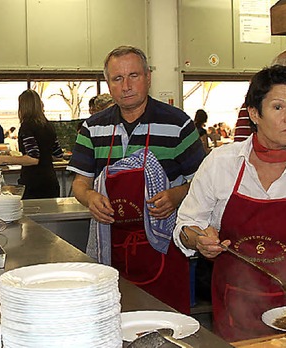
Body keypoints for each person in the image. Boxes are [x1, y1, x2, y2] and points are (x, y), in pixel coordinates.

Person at [174, 65, 286, 341]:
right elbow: (186, 226)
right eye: (278, 107)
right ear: (254, 114)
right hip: (236, 310)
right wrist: (198, 240)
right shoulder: (221, 164)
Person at [67, 46, 206, 314]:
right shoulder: (93, 128)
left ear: (148, 77)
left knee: (168, 327)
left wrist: (175, 196)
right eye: (117, 79)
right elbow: (80, 184)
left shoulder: (178, 124)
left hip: (165, 252)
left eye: (134, 76)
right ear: (108, 84)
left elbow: (202, 185)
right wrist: (90, 197)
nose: (126, 86)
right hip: (112, 247)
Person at [0, 90, 63, 199]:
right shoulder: (49, 126)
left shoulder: (27, 127)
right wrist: (44, 157)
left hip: (34, 184)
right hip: (51, 182)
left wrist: (4, 159)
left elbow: (33, 158)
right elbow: (58, 155)